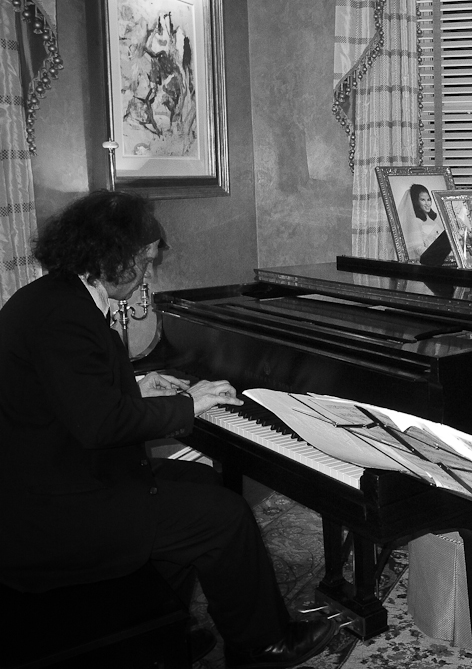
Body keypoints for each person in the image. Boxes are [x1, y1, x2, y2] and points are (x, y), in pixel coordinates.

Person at [0, 191, 337, 668]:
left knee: (200, 482)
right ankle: (262, 645)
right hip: (55, 515)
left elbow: (67, 397)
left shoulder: (54, 298)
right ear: (115, 256)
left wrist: (137, 387)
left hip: (59, 477)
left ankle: (167, 627)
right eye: (144, 261)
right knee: (224, 517)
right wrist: (187, 404)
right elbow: (99, 423)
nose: (145, 274)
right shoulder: (65, 317)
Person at [407, 183, 444, 261]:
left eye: (428, 199)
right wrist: (436, 256)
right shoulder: (415, 221)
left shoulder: (434, 218)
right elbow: (418, 248)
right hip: (430, 262)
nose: (427, 203)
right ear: (416, 201)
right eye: (423, 200)